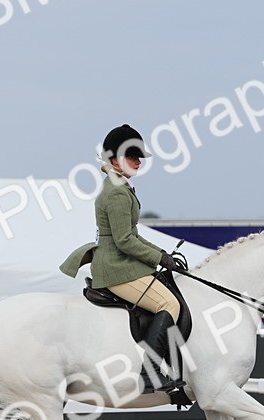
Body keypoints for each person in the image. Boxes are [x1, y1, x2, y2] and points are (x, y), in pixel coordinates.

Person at [58, 123, 185, 394]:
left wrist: (162, 255)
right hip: (115, 268)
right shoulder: (116, 192)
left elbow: (133, 234)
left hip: (122, 262)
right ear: (114, 159)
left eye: (139, 156)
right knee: (169, 304)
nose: (138, 161)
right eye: (132, 156)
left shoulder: (120, 186)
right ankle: (149, 373)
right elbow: (124, 241)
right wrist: (159, 259)